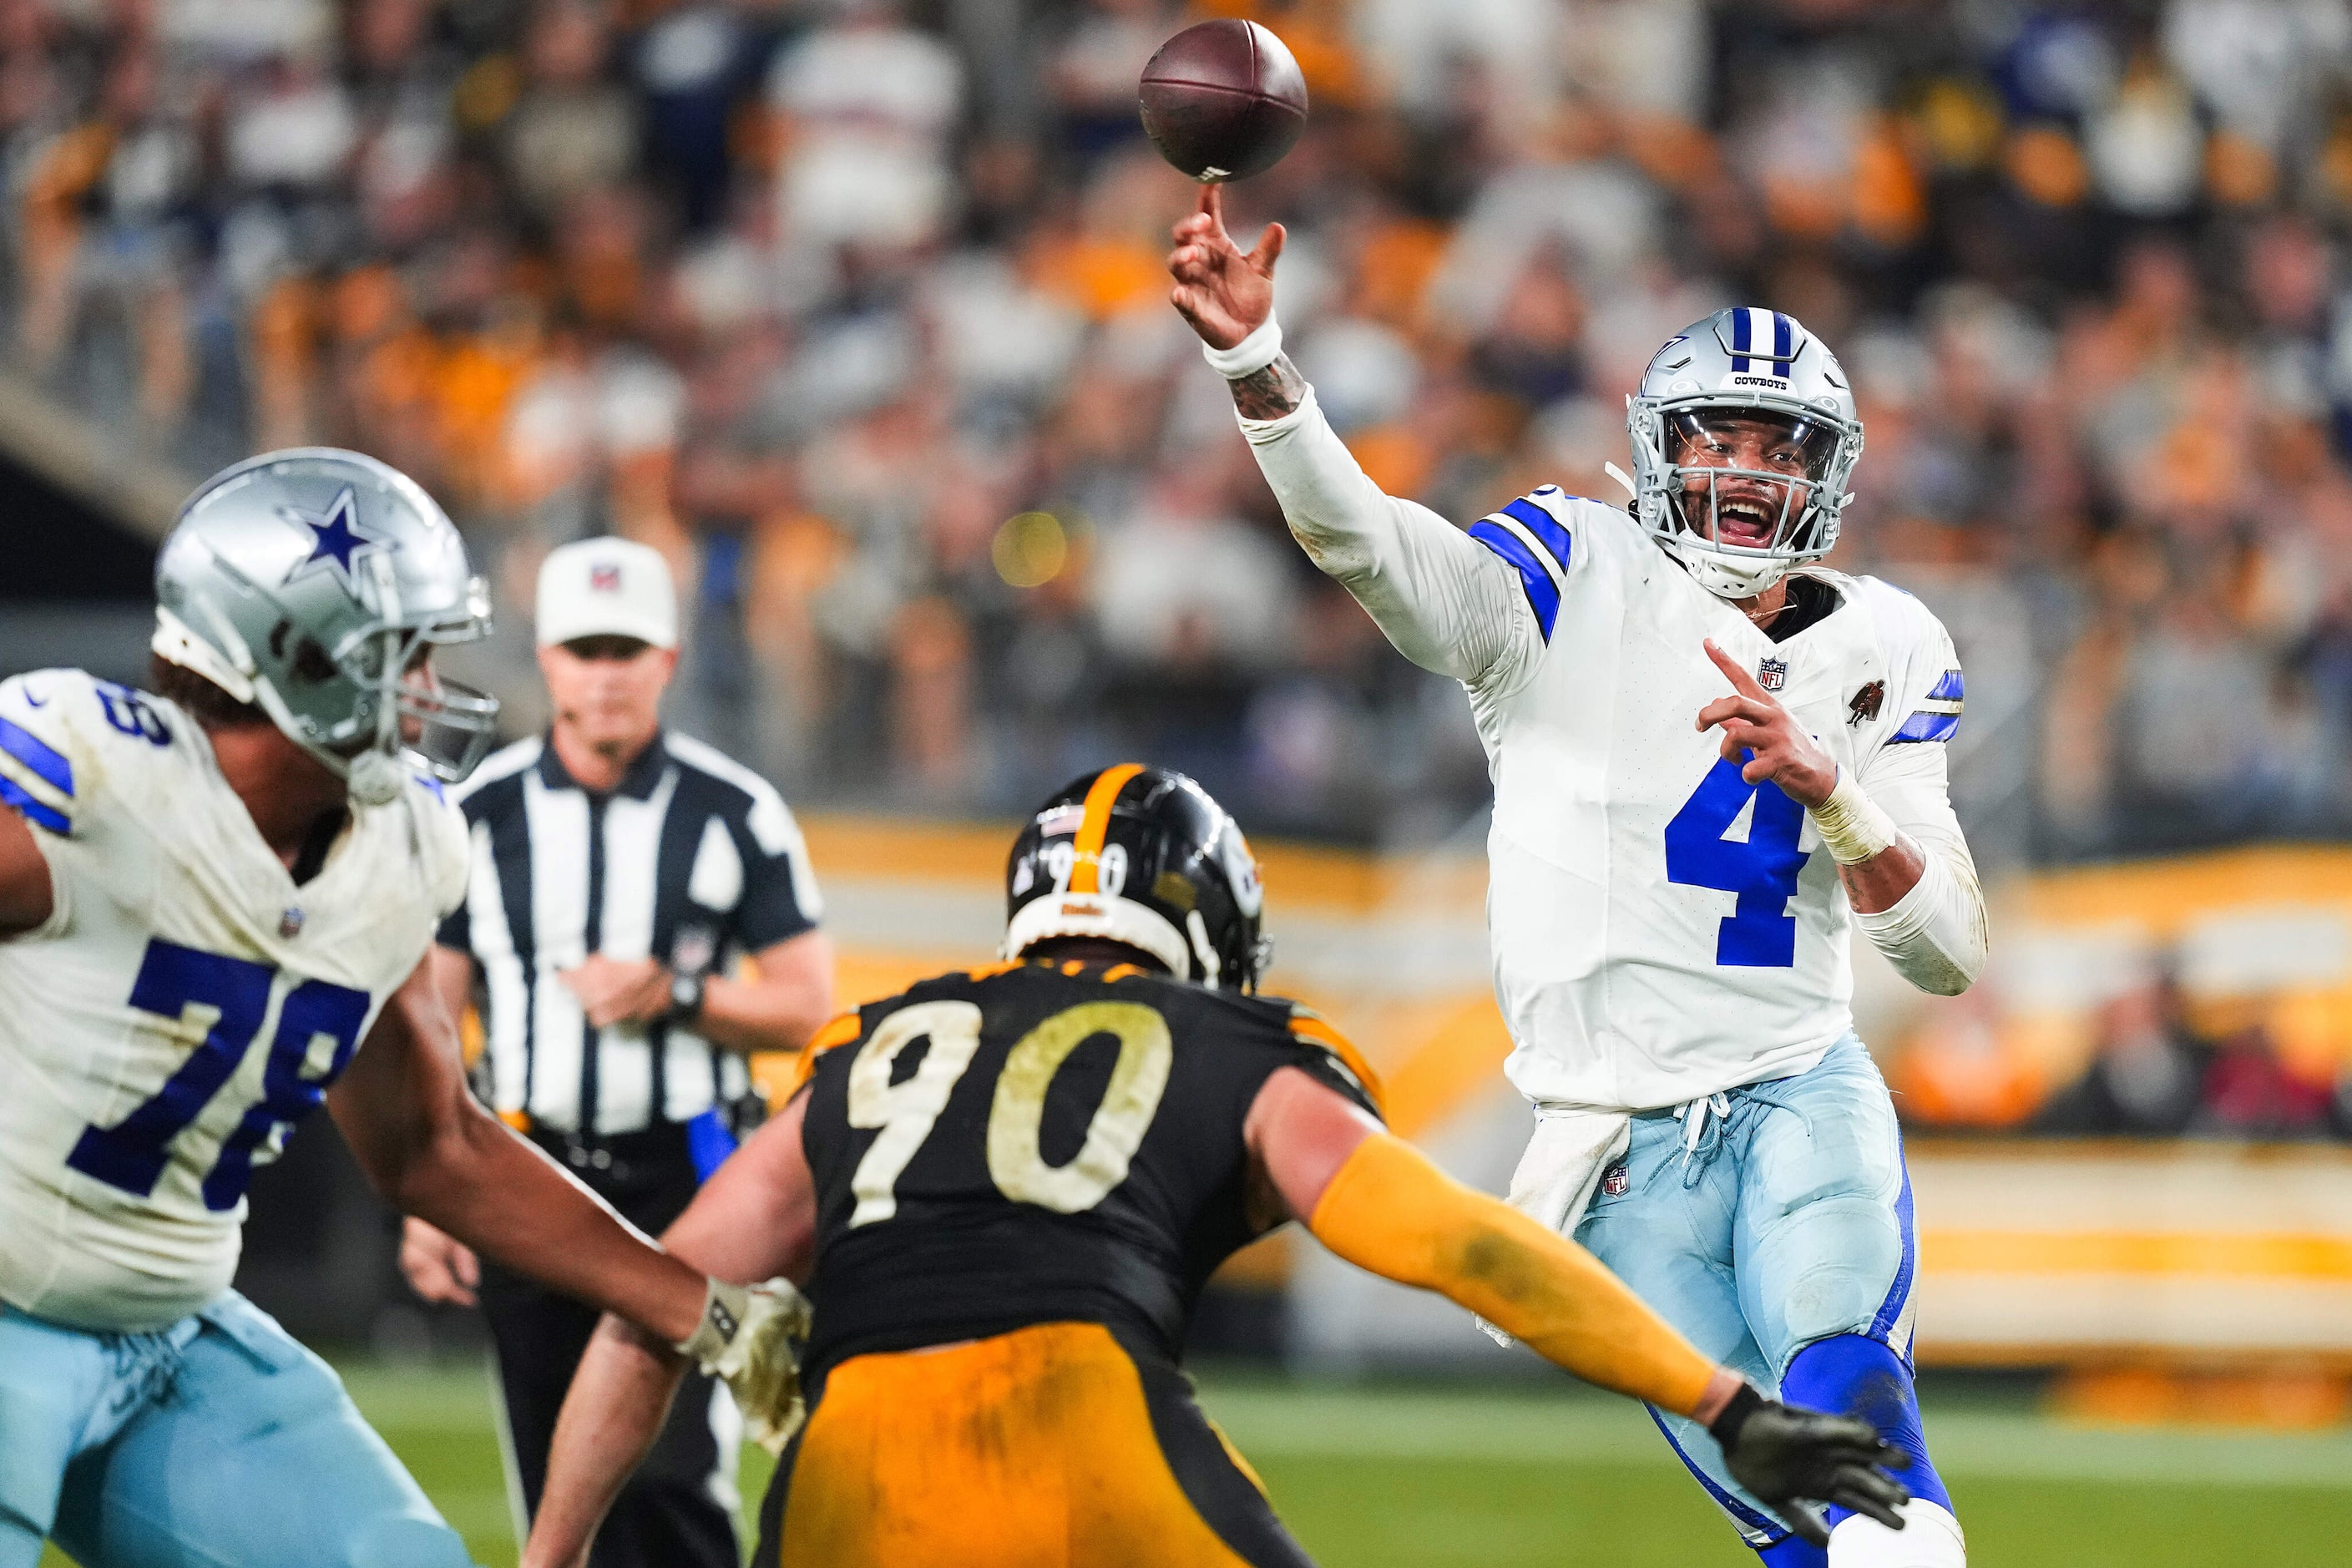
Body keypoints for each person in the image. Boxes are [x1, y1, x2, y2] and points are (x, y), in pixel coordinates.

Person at [1167, 188, 1987, 1567]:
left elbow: (1945, 950)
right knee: (1795, 1506)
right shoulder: (1571, 566)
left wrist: (1833, 791)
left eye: (1774, 443)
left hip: (1801, 1082)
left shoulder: (1886, 642)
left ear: (1828, 470)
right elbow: (1368, 545)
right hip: (1616, 1149)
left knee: (1867, 1457)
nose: (1740, 471)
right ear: (1654, 451)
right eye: (1712, 437)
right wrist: (1259, 368)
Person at [518, 764, 1909, 1568]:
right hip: (1084, 1427)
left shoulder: (869, 1047)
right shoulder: (1234, 1041)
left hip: (841, 1472)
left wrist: (551, 1557)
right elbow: (1449, 1239)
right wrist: (1714, 1395)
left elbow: (655, 1299)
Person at [0, 449, 796, 1568]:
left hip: (170, 1332)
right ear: (300, 651)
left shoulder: (401, 845)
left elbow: (437, 1146)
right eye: (404, 653)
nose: (427, 686)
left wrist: (700, 1306)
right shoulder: (91, 780)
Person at [400, 535, 834, 1565]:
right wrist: (432, 1197)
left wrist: (679, 995)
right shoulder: (481, 812)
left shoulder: (734, 811)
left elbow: (808, 1006)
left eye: (625, 650)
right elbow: (429, 1019)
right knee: (558, 1483)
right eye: (584, 650)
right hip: (526, 1164)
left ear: (667, 661)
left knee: (675, 1477)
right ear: (547, 660)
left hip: (685, 1174)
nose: (604, 676)